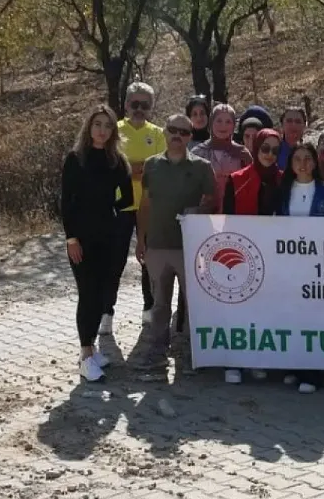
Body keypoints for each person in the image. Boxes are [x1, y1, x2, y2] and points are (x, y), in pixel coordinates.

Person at [134, 114, 215, 380]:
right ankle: (157, 356)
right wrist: (141, 238)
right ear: (165, 133)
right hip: (157, 244)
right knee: (160, 305)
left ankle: (195, 357)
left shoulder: (203, 167)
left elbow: (213, 202)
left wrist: (199, 211)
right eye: (173, 130)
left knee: (194, 304)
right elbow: (145, 205)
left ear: (191, 136)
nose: (177, 135)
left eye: (184, 131)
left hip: (190, 248)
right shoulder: (152, 165)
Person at [61, 105, 134, 382]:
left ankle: (91, 350)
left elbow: (127, 198)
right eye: (97, 124)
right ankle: (85, 354)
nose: (102, 130)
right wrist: (71, 238)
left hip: (108, 237)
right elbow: (65, 203)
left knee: (102, 294)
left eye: (107, 125)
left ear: (113, 130)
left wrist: (110, 212)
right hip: (81, 239)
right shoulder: (75, 159)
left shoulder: (116, 160)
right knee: (87, 294)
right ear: (88, 127)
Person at [221, 128, 284, 385]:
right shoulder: (237, 179)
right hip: (243, 254)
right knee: (239, 310)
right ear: (256, 148)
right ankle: (233, 362)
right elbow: (227, 220)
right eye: (264, 148)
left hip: (275, 255)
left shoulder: (284, 180)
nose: (269, 154)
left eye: (275, 150)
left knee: (264, 310)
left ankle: (256, 359)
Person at [275, 142, 324, 394]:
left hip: (317, 267)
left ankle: (314, 373)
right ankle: (295, 367)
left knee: (315, 319)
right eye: (297, 158)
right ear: (290, 163)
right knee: (293, 317)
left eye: (307, 158)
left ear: (315, 162)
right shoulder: (282, 191)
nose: (302, 163)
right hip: (290, 267)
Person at [109, 82, 166, 333]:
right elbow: (113, 165)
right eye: (135, 104)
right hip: (119, 205)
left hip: (149, 205)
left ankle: (149, 307)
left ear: (151, 107)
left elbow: (158, 168)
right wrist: (133, 169)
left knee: (149, 260)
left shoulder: (159, 133)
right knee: (114, 260)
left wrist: (134, 168)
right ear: (126, 104)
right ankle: (105, 311)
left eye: (145, 105)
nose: (139, 109)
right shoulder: (113, 130)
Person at [191, 104, 252, 214]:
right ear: (211, 123)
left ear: (234, 126)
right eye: (219, 120)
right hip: (203, 214)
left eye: (228, 122)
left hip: (234, 213)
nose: (223, 126)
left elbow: (250, 187)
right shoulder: (198, 153)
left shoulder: (242, 154)